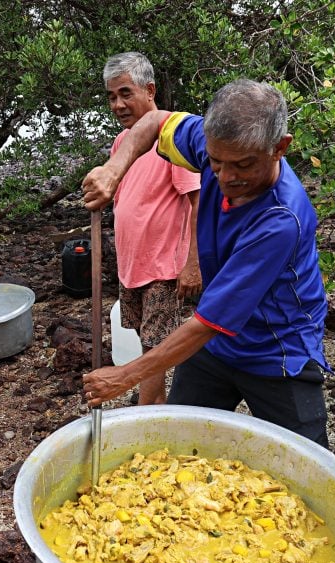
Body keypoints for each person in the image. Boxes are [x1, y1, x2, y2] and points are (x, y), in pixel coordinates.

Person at [82, 79, 331, 447]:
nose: (227, 178)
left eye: (243, 165)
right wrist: (114, 169)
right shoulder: (214, 141)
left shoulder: (281, 219)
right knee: (179, 444)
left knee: (308, 465)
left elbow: (207, 323)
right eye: (215, 162)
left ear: (280, 148)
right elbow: (155, 123)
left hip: (277, 351)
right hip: (216, 350)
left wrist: (125, 376)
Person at [103, 52, 202, 405]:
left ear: (150, 90)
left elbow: (197, 201)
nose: (118, 104)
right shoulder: (122, 143)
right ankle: (152, 400)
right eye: (112, 96)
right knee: (144, 338)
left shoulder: (173, 140)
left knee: (155, 344)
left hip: (162, 267)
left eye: (126, 93)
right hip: (133, 266)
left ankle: (150, 408)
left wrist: (193, 262)